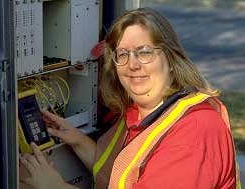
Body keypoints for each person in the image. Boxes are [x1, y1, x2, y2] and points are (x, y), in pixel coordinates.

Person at [19, 7, 240, 189]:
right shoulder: (143, 113)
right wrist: (77, 139)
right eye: (123, 55)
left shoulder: (194, 132)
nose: (132, 65)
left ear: (172, 61)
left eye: (144, 52)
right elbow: (120, 174)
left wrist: (55, 186)